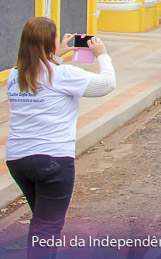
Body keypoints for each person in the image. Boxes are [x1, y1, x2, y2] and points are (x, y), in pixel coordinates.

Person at [6, 18, 116, 258]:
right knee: (47, 228)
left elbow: (42, 76)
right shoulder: (63, 74)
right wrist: (101, 55)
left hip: (18, 160)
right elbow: (107, 84)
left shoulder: (15, 76)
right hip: (52, 161)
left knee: (41, 223)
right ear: (51, 42)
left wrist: (55, 55)